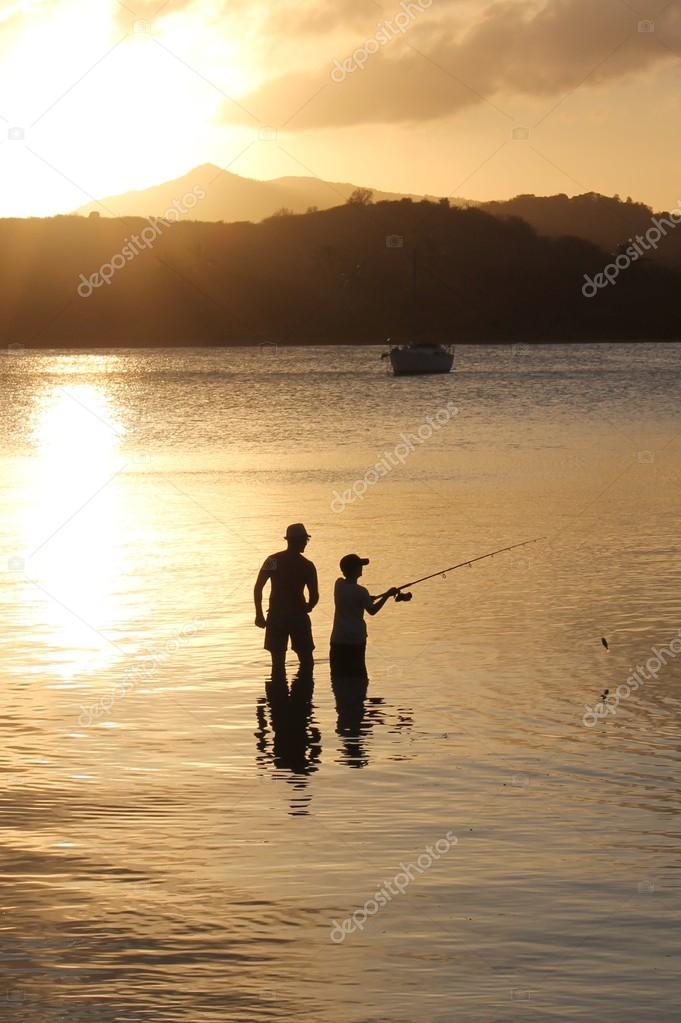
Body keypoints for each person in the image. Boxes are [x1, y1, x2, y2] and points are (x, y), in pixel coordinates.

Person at [254, 523, 319, 677]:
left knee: (277, 663)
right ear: (299, 541)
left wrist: (259, 614)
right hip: (298, 616)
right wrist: (309, 607)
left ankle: (277, 697)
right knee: (306, 661)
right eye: (304, 540)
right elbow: (314, 596)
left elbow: (258, 588)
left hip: (277, 616)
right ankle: (303, 695)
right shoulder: (307, 565)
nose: (305, 544)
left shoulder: (272, 560)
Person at [330, 554, 397, 678]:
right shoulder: (361, 591)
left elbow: (352, 598)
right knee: (358, 675)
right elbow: (372, 611)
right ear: (355, 569)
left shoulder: (338, 584)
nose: (362, 568)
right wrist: (387, 595)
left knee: (338, 676)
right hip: (355, 640)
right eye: (360, 566)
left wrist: (366, 599)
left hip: (337, 639)